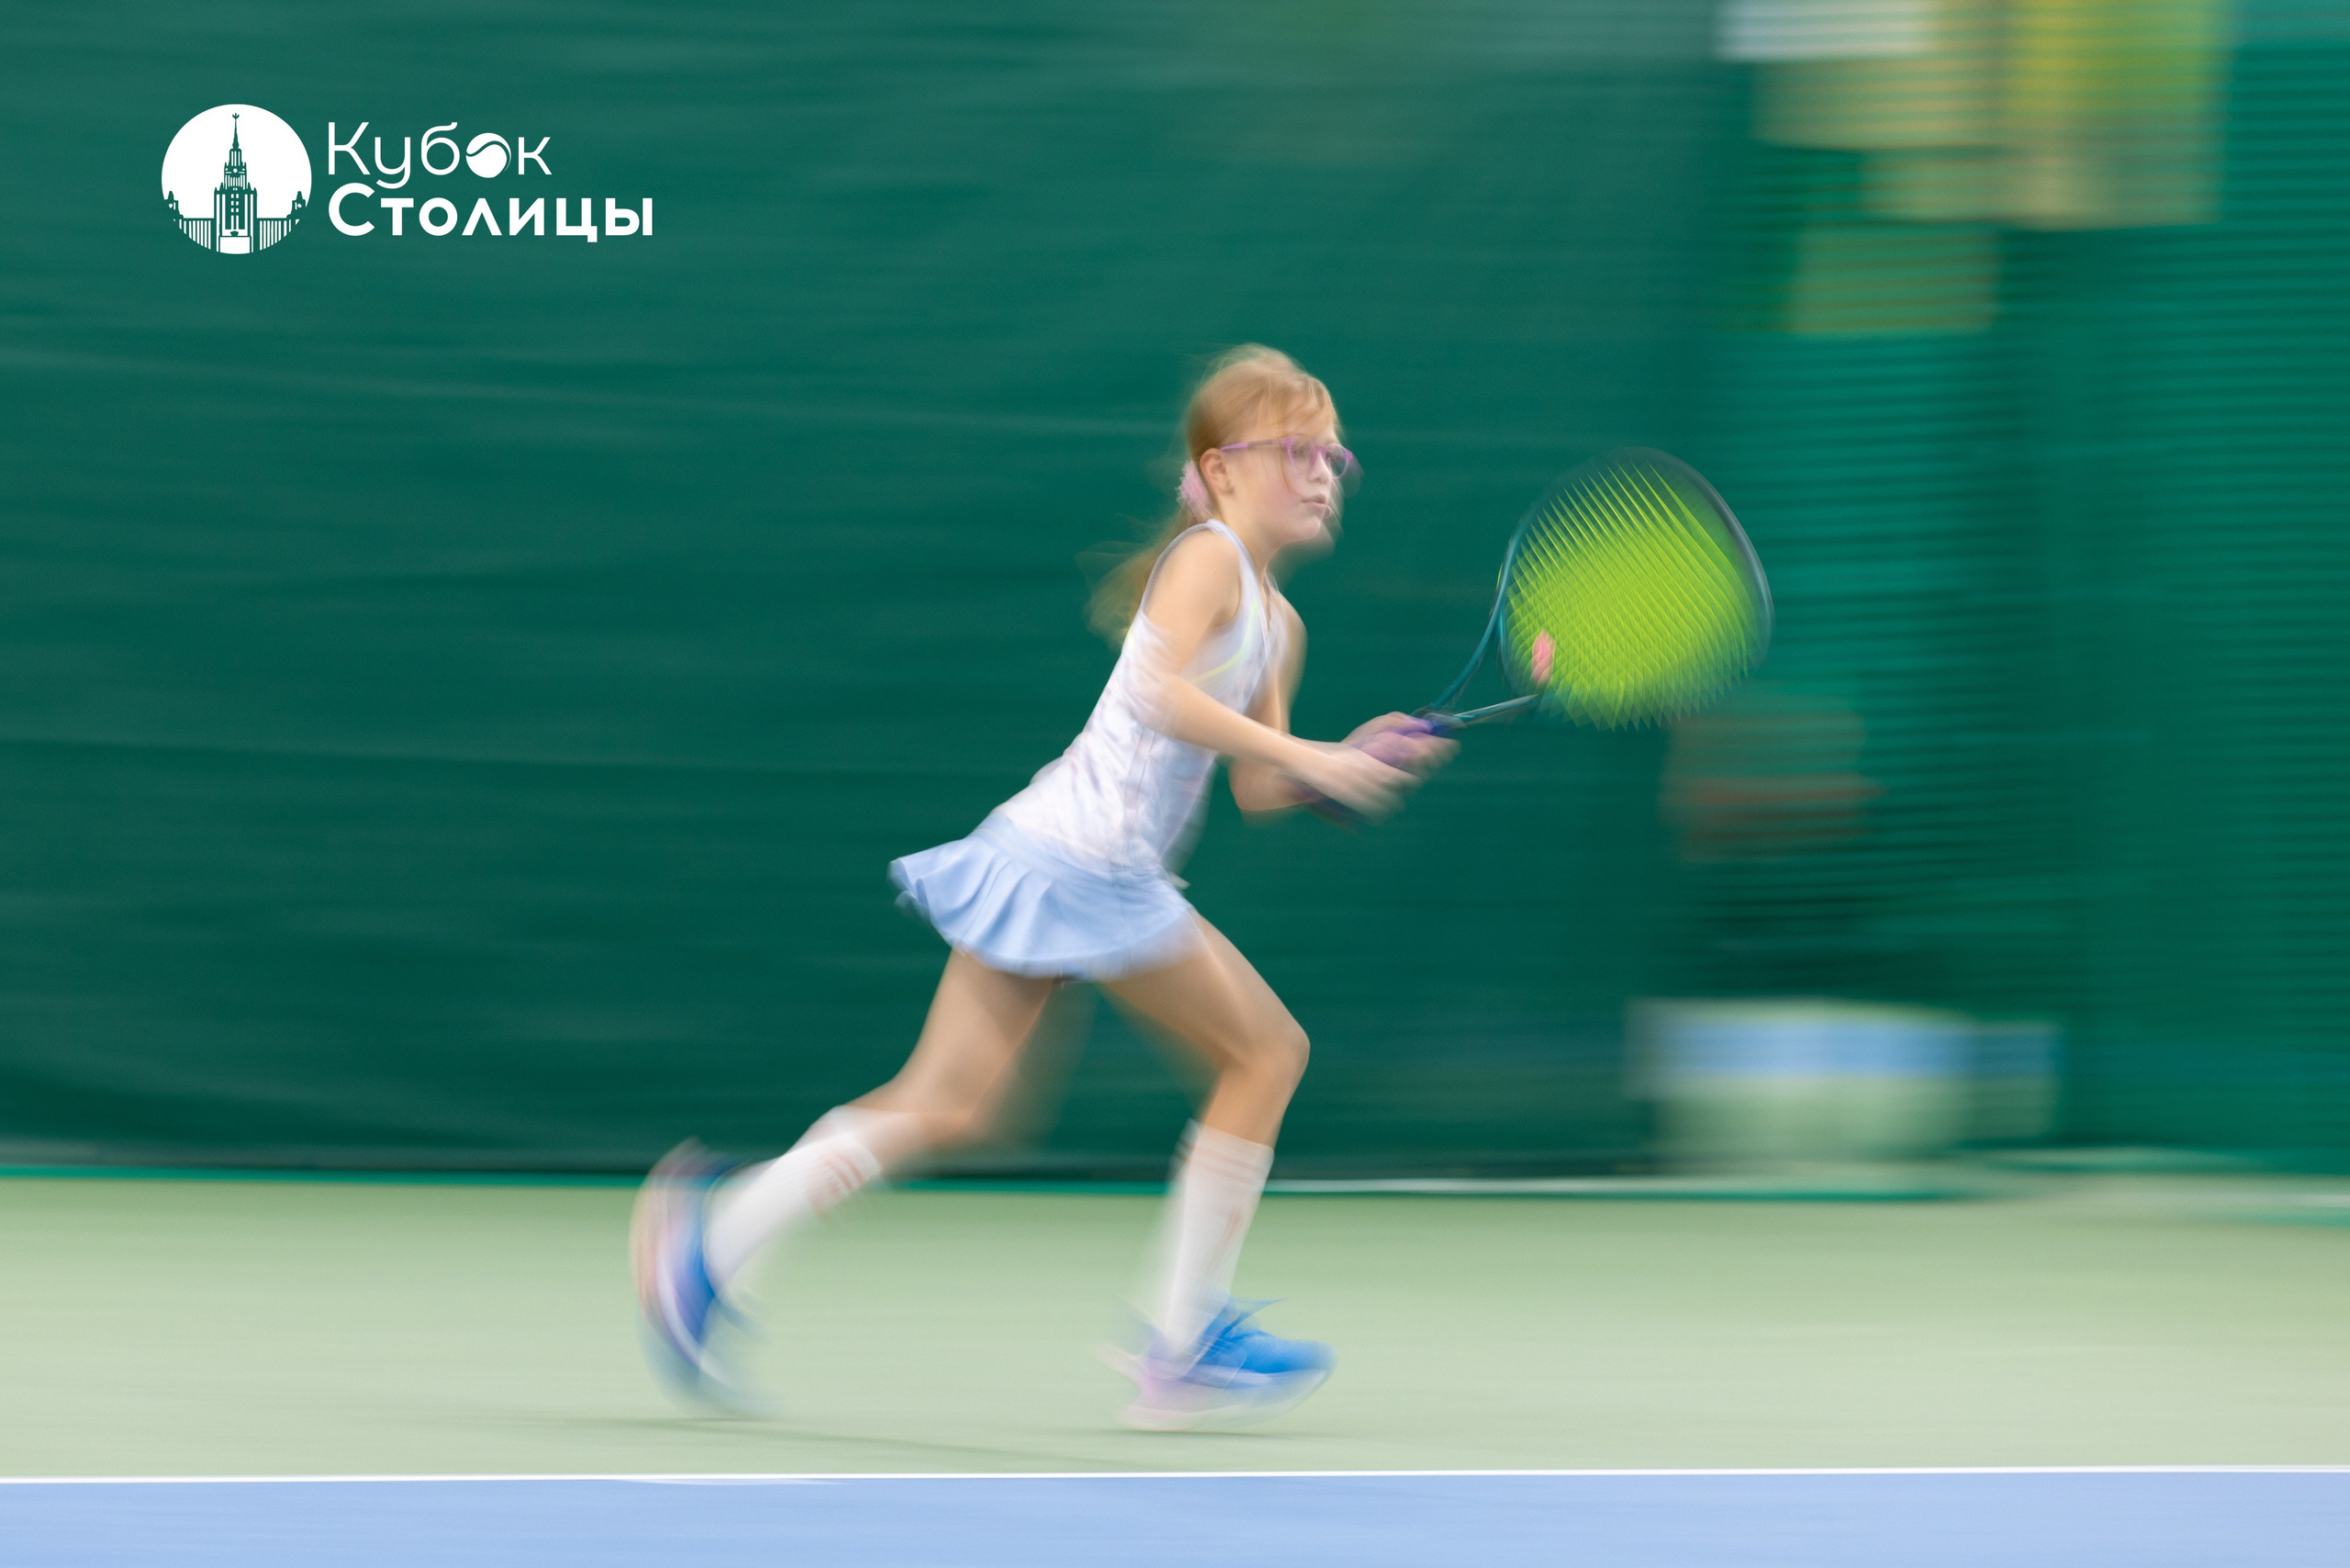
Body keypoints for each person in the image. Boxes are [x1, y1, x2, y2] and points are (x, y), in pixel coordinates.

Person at [632, 345, 1453, 1430]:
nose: (1320, 472)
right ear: (1217, 472)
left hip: (1110, 875)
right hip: (1067, 856)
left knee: (969, 1101)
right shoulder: (1204, 558)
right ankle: (1178, 1338)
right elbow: (1162, 700)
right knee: (1221, 1059)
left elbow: (1254, 784)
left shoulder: (1281, 626)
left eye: (1331, 453)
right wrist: (1314, 762)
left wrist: (1348, 759)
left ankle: (713, 1249)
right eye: (1293, 449)